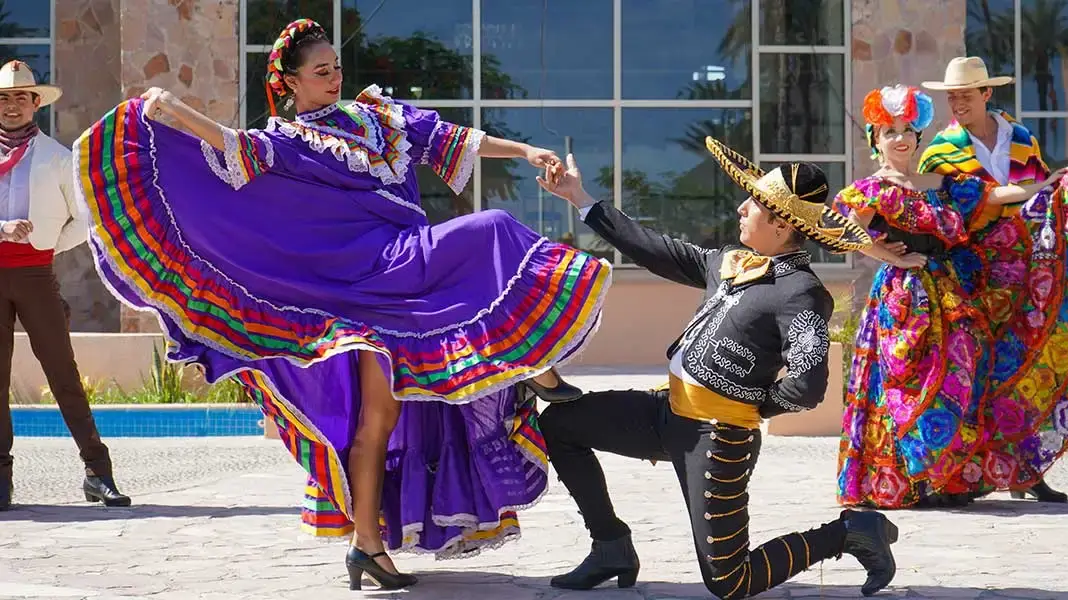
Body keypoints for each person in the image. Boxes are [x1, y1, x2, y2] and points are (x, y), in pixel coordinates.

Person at [72, 19, 610, 590]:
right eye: (321, 71)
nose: (334, 78)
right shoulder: (289, 140)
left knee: (486, 241)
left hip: (409, 270)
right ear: (291, 83)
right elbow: (232, 145)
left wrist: (527, 150)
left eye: (336, 68)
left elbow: (453, 139)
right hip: (361, 285)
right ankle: (368, 548)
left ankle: (534, 365)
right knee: (379, 413)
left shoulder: (378, 116)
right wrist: (174, 109)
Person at [535, 140, 900, 599]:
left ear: (782, 224)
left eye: (754, 204)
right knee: (560, 424)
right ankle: (611, 546)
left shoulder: (801, 293)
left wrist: (746, 405)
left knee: (730, 582)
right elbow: (653, 248)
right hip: (664, 415)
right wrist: (580, 199)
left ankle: (849, 532)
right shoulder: (727, 263)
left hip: (720, 439)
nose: (741, 208)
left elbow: (808, 387)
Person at [833, 84, 1068, 510]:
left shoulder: (940, 182)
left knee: (962, 373)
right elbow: (842, 233)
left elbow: (994, 195)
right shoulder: (871, 189)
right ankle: (911, 479)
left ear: (918, 135)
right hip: (902, 300)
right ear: (875, 140)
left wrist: (1045, 185)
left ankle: (948, 477)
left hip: (949, 291)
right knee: (908, 385)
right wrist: (890, 258)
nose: (899, 139)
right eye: (888, 131)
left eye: (906, 130)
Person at [915, 56, 1068, 503]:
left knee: (1030, 374)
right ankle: (963, 475)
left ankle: (1026, 472)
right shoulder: (940, 151)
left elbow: (1042, 199)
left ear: (987, 93)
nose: (958, 104)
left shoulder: (1023, 140)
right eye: (952, 97)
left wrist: (1060, 188)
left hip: (1029, 276)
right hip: (973, 278)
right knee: (979, 378)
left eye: (966, 95)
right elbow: (943, 217)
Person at [0, 60, 129, 511]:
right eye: (4, 98)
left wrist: (46, 245)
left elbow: (87, 217)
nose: (12, 106)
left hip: (36, 275)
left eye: (21, 97)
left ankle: (98, 473)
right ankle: (1, 480)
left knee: (64, 375)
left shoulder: (57, 157)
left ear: (36, 103)